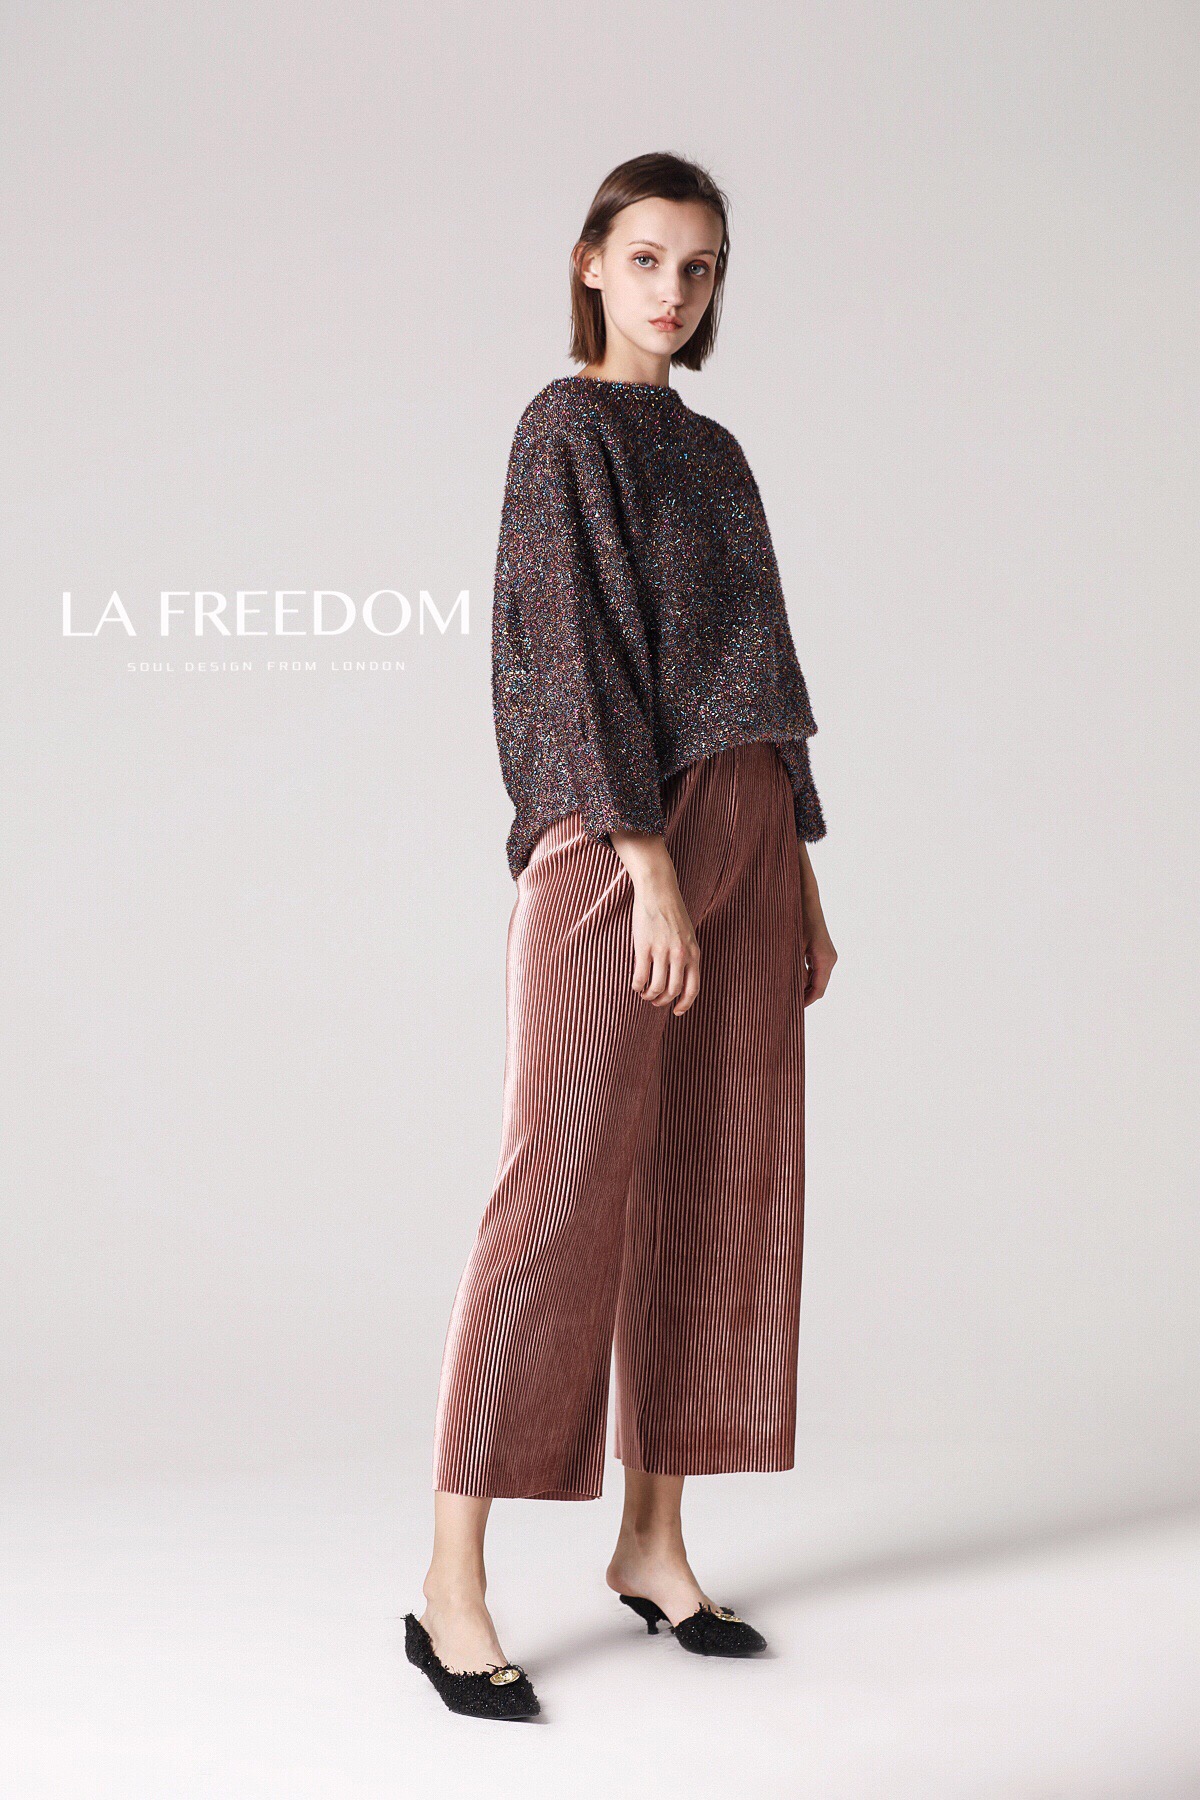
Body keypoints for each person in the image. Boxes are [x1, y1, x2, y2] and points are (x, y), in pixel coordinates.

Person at [405, 151, 837, 1721]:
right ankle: (450, 1581)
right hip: (616, 837)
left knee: (719, 1173)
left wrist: (799, 866)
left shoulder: (715, 454)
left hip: (747, 831)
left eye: (699, 266)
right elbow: (568, 658)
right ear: (590, 260)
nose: (673, 289)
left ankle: (653, 1542)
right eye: (646, 257)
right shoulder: (564, 430)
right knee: (559, 1187)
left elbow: (760, 665)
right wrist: (644, 860)